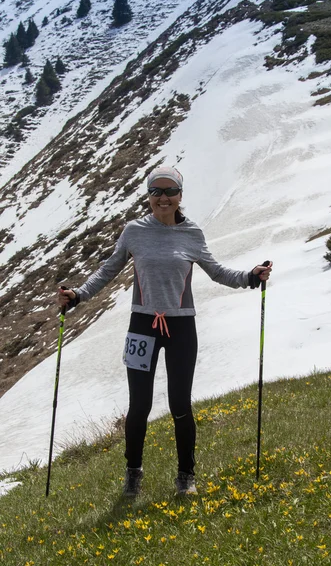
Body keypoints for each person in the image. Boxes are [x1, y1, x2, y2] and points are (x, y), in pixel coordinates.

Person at [58, 165, 272, 498]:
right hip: (141, 325)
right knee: (139, 404)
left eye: (170, 191)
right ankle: (133, 474)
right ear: (148, 196)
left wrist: (250, 276)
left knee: (180, 404)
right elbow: (108, 270)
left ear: (180, 196)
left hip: (181, 326)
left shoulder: (192, 234)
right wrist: (79, 295)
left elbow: (216, 272)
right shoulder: (134, 231)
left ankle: (186, 476)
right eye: (156, 191)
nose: (163, 198)